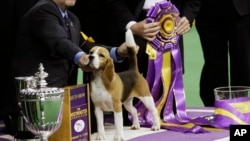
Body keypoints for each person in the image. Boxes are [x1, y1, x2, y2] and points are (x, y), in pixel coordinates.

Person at [10, 0, 136, 135]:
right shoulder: (43, 10)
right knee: (45, 131)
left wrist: (116, 52)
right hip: (37, 95)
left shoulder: (72, 18)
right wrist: (81, 57)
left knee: (90, 126)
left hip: (64, 91)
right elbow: (60, 42)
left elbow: (83, 46)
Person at [71, 0, 200, 125]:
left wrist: (186, 17)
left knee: (167, 112)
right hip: (129, 21)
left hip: (171, 26)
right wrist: (131, 25)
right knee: (125, 115)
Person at [195, 0, 250, 106]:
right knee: (214, 65)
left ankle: (242, 109)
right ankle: (216, 109)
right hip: (207, 10)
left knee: (243, 64)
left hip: (243, 9)